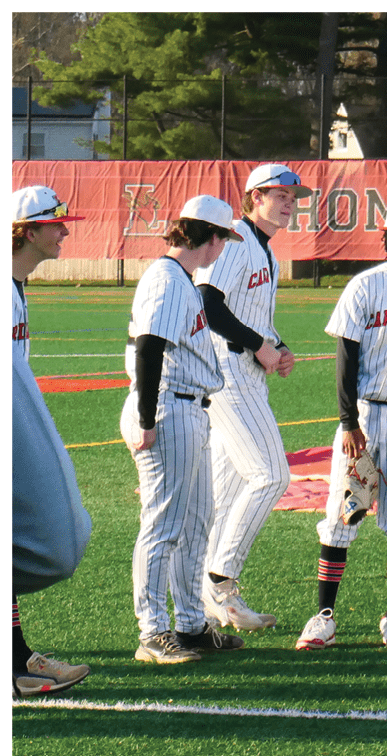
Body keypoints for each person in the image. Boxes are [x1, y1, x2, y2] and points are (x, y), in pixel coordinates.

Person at [295, 198, 387, 651]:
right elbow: (345, 360)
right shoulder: (365, 286)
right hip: (367, 415)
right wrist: (348, 421)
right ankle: (324, 616)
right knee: (341, 514)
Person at [121, 195, 247, 664]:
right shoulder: (167, 278)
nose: (224, 248)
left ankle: (191, 625)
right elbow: (149, 347)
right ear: (209, 238)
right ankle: (152, 633)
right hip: (167, 408)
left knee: (196, 523)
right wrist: (147, 419)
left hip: (188, 409)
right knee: (163, 525)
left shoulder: (182, 280)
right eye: (223, 239)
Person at [194, 163, 312, 631]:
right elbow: (208, 302)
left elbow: (253, 314)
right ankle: (222, 577)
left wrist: (276, 344)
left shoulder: (267, 252)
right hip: (226, 373)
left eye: (293, 196)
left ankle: (211, 603)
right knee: (271, 474)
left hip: (244, 372)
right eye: (279, 195)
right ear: (253, 197)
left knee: (229, 491)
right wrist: (258, 345)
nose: (289, 202)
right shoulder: (237, 239)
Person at [11, 185, 92, 696]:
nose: (64, 231)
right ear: (28, 230)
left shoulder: (15, 287)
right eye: (55, 223)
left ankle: (17, 659)